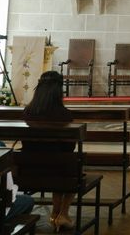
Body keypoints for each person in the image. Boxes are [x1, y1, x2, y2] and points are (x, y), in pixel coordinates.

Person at [23, 71, 75, 231]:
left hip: (28, 169)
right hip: (58, 169)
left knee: (60, 163)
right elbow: (69, 147)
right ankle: (61, 213)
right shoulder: (64, 114)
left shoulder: (28, 111)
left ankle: (55, 213)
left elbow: (25, 142)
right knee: (71, 164)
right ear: (59, 91)